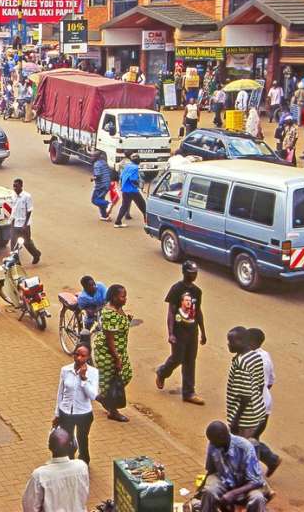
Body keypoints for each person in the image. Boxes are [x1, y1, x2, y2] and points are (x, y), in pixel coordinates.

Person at [225, 326, 280, 476]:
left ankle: (252, 476)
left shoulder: (243, 362)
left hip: (247, 411)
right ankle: (269, 461)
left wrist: (236, 419)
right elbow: (269, 382)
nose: (228, 344)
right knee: (251, 440)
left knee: (245, 444)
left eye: (231, 341)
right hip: (262, 404)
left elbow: (245, 395)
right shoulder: (262, 356)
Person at [156, 260, 207, 404]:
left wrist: (203, 331)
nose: (194, 276)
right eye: (191, 273)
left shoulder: (197, 291)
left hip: (192, 331)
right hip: (179, 331)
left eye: (196, 273)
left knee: (190, 361)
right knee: (177, 358)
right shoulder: (176, 289)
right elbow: (171, 312)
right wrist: (171, 333)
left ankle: (189, 393)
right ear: (184, 273)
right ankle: (162, 372)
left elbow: (198, 311)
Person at [199, 421, 269, 512]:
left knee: (257, 498)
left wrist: (233, 493)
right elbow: (211, 471)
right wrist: (200, 491)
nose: (212, 444)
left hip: (246, 486)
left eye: (214, 442)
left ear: (222, 438)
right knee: (209, 491)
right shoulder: (213, 444)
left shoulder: (244, 447)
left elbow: (256, 481)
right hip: (225, 481)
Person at [22, 426, 90, 512]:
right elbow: (83, 495)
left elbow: (29, 507)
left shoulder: (40, 475)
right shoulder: (81, 467)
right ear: (71, 446)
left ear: (50, 447)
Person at [53, 343, 99, 465]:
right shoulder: (65, 370)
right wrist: (57, 413)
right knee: (67, 440)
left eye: (83, 356)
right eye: (77, 354)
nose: (79, 358)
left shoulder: (93, 373)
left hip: (83, 414)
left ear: (88, 357)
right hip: (66, 412)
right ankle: (69, 463)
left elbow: (93, 396)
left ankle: (84, 462)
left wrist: (83, 378)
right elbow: (60, 393)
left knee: (82, 439)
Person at [93, 284, 132, 422]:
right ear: (114, 297)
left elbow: (120, 324)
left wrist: (127, 320)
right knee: (109, 381)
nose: (125, 299)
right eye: (122, 296)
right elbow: (109, 339)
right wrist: (116, 358)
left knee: (126, 375)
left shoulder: (118, 308)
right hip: (108, 352)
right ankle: (112, 410)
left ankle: (105, 397)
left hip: (120, 350)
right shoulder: (109, 313)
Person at [11, 178, 41, 264]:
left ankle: (36, 254)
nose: (15, 188)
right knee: (14, 245)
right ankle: (16, 263)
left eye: (16, 186)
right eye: (14, 186)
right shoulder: (13, 196)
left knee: (27, 243)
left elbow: (29, 211)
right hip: (15, 224)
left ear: (21, 186)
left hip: (24, 225)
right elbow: (13, 210)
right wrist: (12, 223)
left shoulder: (27, 196)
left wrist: (25, 225)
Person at [114, 155, 146, 227]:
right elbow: (133, 179)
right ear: (139, 161)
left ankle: (117, 222)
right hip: (132, 190)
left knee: (124, 206)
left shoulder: (127, 166)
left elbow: (121, 177)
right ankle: (147, 222)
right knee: (143, 205)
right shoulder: (135, 168)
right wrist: (140, 187)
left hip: (125, 189)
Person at [91, 153, 112, 221]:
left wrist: (93, 178)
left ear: (96, 157)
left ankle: (108, 204)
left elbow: (98, 175)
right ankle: (104, 216)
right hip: (107, 184)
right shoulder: (104, 162)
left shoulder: (96, 164)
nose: (91, 157)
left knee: (94, 200)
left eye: (93, 156)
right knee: (100, 199)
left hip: (101, 185)